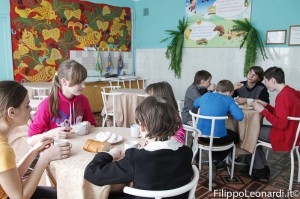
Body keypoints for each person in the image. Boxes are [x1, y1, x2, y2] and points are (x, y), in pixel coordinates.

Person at [84, 96, 193, 199]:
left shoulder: (136, 159)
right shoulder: (187, 152)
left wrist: (109, 154)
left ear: (142, 126)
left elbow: (92, 173)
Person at [0, 81, 71, 199]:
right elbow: (19, 196)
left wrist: (34, 150)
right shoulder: (3, 149)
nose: (31, 109)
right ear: (12, 112)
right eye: (27, 105)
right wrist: (44, 158)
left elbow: (12, 176)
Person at [28, 59, 96, 145]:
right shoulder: (46, 105)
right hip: (56, 151)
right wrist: (52, 134)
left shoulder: (83, 100)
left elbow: (93, 125)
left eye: (83, 81)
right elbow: (30, 140)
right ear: (64, 82)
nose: (83, 86)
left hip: (80, 147)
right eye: (78, 82)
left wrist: (88, 125)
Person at [251, 66, 300, 179]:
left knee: (251, 131)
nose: (265, 84)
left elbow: (281, 124)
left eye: (266, 81)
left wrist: (262, 111)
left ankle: (260, 168)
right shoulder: (291, 92)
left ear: (273, 80)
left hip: (285, 135)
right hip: (294, 134)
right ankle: (261, 165)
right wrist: (266, 106)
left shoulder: (282, 96)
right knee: (255, 129)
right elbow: (283, 115)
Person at [194, 80, 244, 180]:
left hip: (200, 136)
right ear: (230, 93)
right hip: (217, 139)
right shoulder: (228, 99)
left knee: (222, 133)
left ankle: (213, 160)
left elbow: (195, 104)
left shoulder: (206, 95)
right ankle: (216, 161)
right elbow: (239, 117)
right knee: (235, 136)